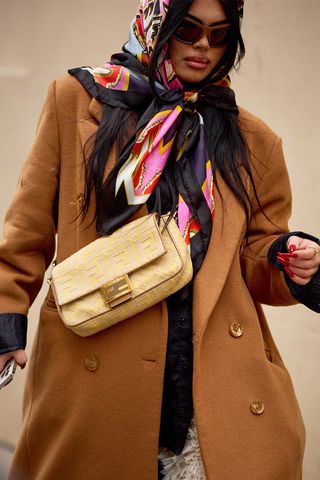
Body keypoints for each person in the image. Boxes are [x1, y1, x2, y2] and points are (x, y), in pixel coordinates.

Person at [0, 0, 319, 479]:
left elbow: (256, 253)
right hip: (102, 353)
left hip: (213, 373)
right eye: (188, 30)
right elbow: (27, 229)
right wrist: (8, 314)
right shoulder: (76, 100)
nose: (203, 47)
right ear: (157, 24)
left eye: (220, 34)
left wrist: (286, 256)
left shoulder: (254, 138)